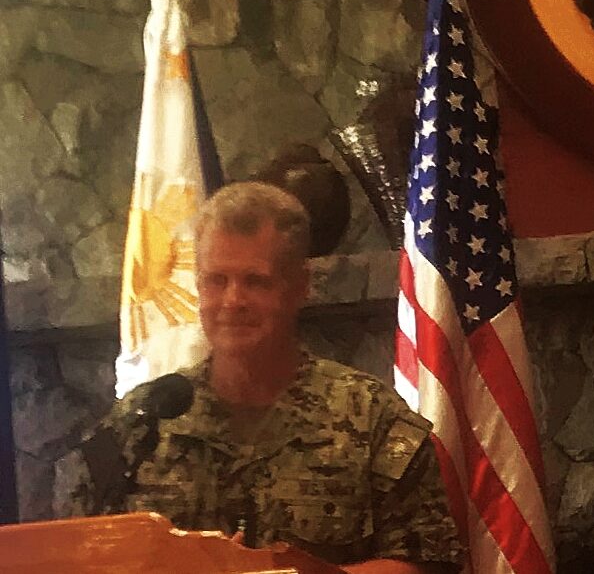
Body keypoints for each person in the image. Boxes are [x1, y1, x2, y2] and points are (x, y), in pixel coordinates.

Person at [55, 182, 460, 574]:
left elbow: (427, 560)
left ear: (299, 287)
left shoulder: (371, 418)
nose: (233, 301)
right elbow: (75, 553)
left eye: (256, 282)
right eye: (217, 280)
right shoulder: (143, 424)